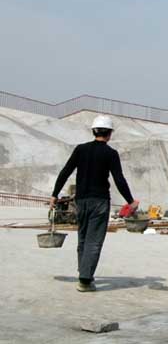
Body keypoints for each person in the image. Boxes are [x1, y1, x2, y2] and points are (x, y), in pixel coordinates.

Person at [51, 115, 137, 293]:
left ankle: (84, 272)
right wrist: (130, 201)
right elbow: (119, 179)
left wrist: (54, 194)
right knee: (94, 241)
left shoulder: (80, 149)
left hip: (80, 201)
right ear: (109, 134)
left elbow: (65, 171)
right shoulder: (110, 154)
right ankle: (85, 280)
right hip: (100, 202)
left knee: (83, 238)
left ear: (93, 130)